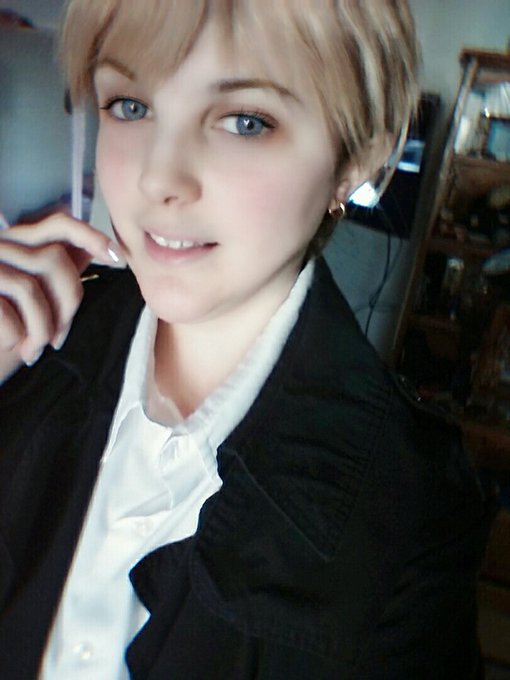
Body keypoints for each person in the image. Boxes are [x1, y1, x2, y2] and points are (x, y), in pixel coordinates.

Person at [0, 1, 493, 678]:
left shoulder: (410, 513)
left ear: (355, 161)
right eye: (130, 106)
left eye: (245, 121)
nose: (158, 179)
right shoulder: (29, 341)